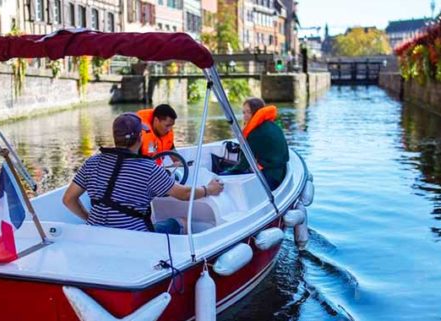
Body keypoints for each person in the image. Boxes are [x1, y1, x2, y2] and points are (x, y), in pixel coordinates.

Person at [61, 113, 224, 234]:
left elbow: (68, 199)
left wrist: (89, 218)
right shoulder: (148, 168)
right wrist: (209, 189)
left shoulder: (92, 162)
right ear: (140, 136)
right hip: (137, 238)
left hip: (97, 233)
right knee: (180, 222)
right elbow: (184, 194)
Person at [226, 97, 289, 190]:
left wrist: (224, 173)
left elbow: (242, 165)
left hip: (272, 178)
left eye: (249, 112)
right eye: (244, 112)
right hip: (281, 172)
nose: (245, 116)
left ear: (257, 111)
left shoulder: (255, 133)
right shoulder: (272, 125)